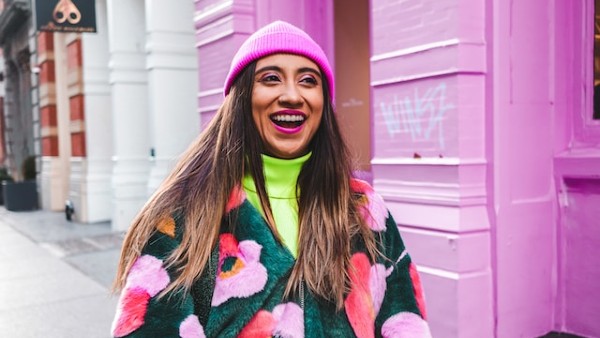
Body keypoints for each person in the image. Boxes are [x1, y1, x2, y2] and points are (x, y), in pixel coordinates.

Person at [111, 20, 431, 338]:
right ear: (242, 99)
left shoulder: (365, 210)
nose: (292, 95)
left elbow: (405, 322)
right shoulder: (184, 215)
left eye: (308, 80)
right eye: (271, 78)